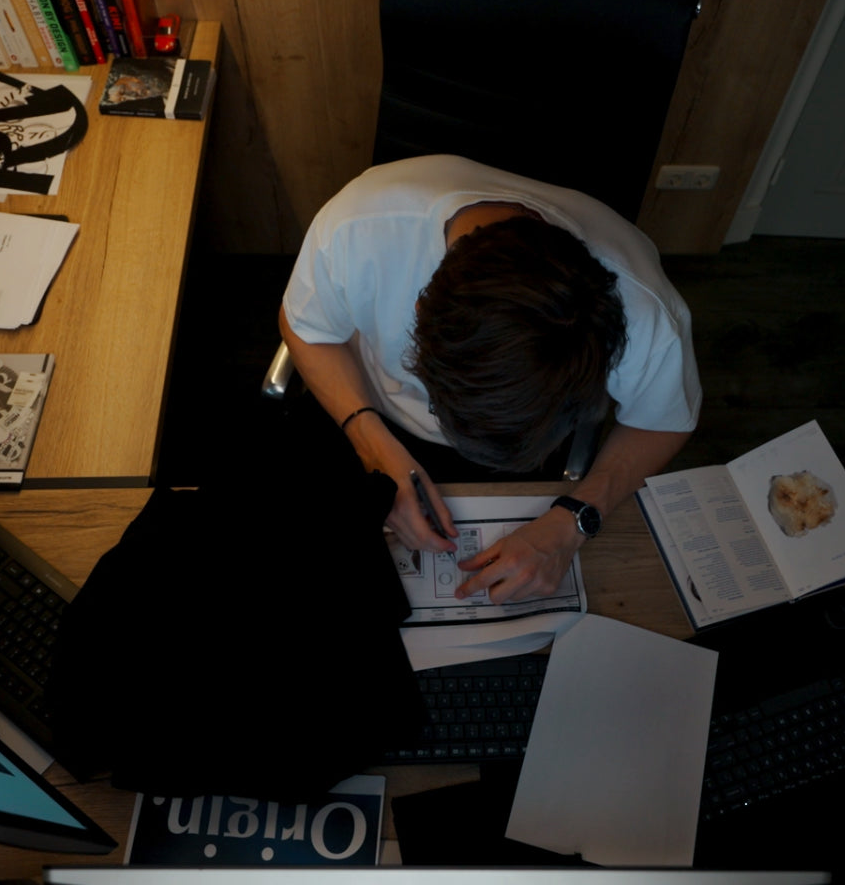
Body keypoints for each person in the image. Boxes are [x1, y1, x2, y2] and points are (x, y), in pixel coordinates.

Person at [279, 155, 701, 604]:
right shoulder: (359, 229)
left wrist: (572, 520)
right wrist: (374, 447)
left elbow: (663, 421)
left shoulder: (648, 314)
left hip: (534, 453)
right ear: (419, 317)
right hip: (373, 410)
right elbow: (306, 330)